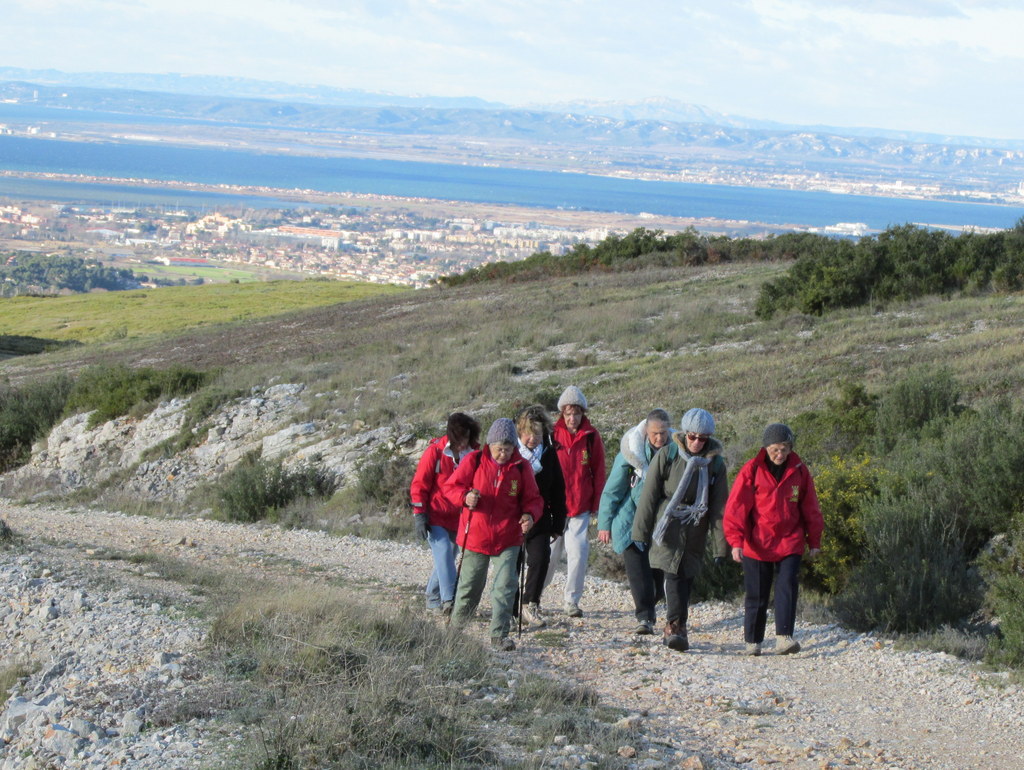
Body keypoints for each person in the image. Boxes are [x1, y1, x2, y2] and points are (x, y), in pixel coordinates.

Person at [632, 408, 729, 652]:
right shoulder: (668, 455)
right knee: (672, 574)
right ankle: (674, 627)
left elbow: (720, 507)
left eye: (702, 438)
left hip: (696, 527)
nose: (696, 442)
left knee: (686, 576)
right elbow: (649, 496)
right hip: (669, 525)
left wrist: (721, 546)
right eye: (692, 436)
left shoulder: (715, 464)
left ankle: (679, 624)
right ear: (684, 433)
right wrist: (640, 533)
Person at [723, 423, 823, 656]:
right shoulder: (752, 469)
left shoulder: (800, 470)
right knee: (757, 592)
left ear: (791, 448)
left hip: (790, 540)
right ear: (765, 448)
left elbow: (811, 507)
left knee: (787, 584)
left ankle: (784, 638)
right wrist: (736, 541)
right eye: (775, 450)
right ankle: (753, 641)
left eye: (785, 449)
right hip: (757, 542)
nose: (780, 455)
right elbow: (736, 507)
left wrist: (814, 541)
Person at [444, 417, 543, 651]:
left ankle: (499, 636)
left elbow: (534, 499)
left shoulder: (521, 467)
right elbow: (451, 487)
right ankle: (455, 632)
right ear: (489, 445)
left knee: (506, 586)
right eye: (499, 449)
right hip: (475, 536)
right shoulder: (474, 460)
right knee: (469, 586)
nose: (503, 454)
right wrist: (465, 497)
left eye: (508, 449)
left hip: (508, 537)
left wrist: (529, 515)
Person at [597, 409, 672, 635]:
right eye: (655, 433)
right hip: (630, 520)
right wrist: (604, 523)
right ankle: (645, 618)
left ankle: (650, 605)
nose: (659, 438)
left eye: (663, 433)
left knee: (657, 578)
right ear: (646, 431)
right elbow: (612, 490)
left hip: (659, 522)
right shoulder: (631, 453)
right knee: (638, 572)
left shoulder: (675, 452)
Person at [409, 412, 481, 615]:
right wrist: (419, 514)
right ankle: (450, 600)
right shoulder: (435, 452)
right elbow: (419, 484)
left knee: (448, 556)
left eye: (465, 439)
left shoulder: (475, 455)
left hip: (460, 517)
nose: (462, 445)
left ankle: (432, 597)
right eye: (458, 440)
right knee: (443, 554)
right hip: (435, 514)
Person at [545, 385, 606, 618]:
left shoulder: (591, 437)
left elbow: (599, 471)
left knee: (578, 554)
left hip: (580, 507)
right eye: (568, 413)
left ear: (582, 413)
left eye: (576, 413)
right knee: (549, 557)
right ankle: (533, 597)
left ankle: (571, 601)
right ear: (562, 413)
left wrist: (597, 505)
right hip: (553, 509)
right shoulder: (551, 435)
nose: (572, 418)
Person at [515, 405, 567, 628]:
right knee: (512, 563)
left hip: (540, 517)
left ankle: (530, 604)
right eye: (527, 433)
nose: (532, 439)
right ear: (519, 432)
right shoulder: (511, 453)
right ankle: (509, 607)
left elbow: (558, 488)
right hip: (512, 518)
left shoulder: (548, 453)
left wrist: (558, 522)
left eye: (537, 434)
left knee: (540, 558)